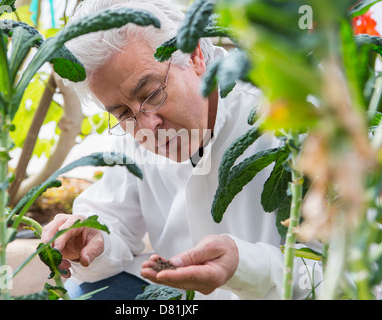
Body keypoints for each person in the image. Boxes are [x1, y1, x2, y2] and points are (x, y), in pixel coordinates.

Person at [41, 0, 323, 300]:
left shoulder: (290, 122)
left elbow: (345, 275)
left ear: (195, 56)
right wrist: (93, 240)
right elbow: (112, 218)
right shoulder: (134, 129)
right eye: (122, 113)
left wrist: (244, 266)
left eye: (151, 94)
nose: (146, 126)